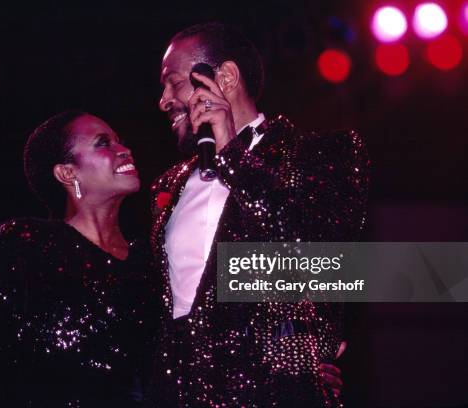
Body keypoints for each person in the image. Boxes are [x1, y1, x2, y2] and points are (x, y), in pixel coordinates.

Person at [149, 22, 368, 406]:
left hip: (275, 393)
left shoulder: (323, 154)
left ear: (225, 77)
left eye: (174, 83)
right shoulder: (169, 185)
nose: (164, 100)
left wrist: (233, 154)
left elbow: (315, 257)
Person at [0, 111, 158, 407]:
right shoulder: (25, 244)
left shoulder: (147, 259)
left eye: (120, 142)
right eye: (103, 143)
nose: (124, 150)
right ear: (67, 173)